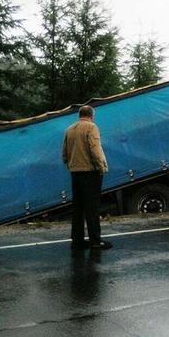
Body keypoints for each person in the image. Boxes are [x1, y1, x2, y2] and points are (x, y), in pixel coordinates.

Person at [61, 105, 113, 250]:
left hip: (75, 173)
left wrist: (71, 165)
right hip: (90, 172)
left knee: (78, 208)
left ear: (79, 115)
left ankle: (77, 240)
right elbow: (95, 149)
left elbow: (64, 153)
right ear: (91, 116)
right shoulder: (91, 127)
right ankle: (96, 241)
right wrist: (101, 167)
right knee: (92, 208)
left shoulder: (69, 129)